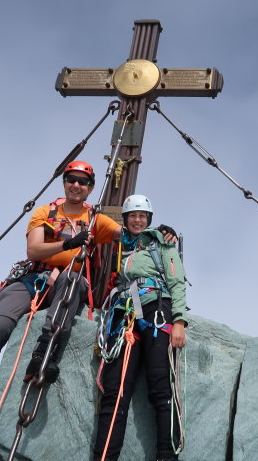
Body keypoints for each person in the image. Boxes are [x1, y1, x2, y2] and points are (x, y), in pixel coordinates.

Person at [0, 162, 176, 437]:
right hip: (33, 279)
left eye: (82, 182)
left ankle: (44, 353)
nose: (76, 185)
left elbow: (129, 235)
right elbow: (34, 250)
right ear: (65, 183)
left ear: (90, 188)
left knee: (73, 281)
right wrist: (68, 244)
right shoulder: (46, 212)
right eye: (72, 180)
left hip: (68, 281)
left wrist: (158, 232)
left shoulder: (96, 220)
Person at [93, 194, 187, 461]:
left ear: (149, 220)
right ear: (124, 219)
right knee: (115, 390)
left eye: (142, 216)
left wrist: (179, 321)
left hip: (157, 309)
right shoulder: (120, 247)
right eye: (132, 216)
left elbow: (177, 282)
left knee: (160, 386)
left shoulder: (162, 243)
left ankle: (166, 455)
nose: (137, 220)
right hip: (125, 316)